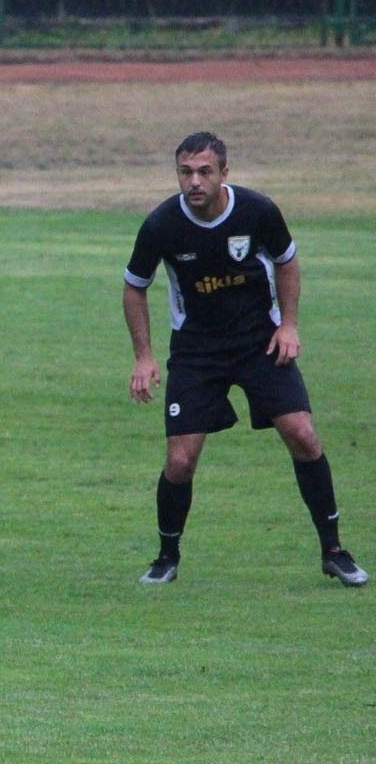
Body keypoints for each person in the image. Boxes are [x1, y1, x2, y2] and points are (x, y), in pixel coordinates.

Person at [123, 131, 366, 587]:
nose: (195, 182)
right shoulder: (161, 225)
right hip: (196, 351)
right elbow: (135, 285)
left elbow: (287, 261)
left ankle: (334, 551)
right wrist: (144, 356)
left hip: (259, 343)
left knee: (303, 434)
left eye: (204, 172)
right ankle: (166, 557)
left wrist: (288, 325)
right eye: (185, 172)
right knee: (181, 460)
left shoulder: (257, 211)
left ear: (224, 173)